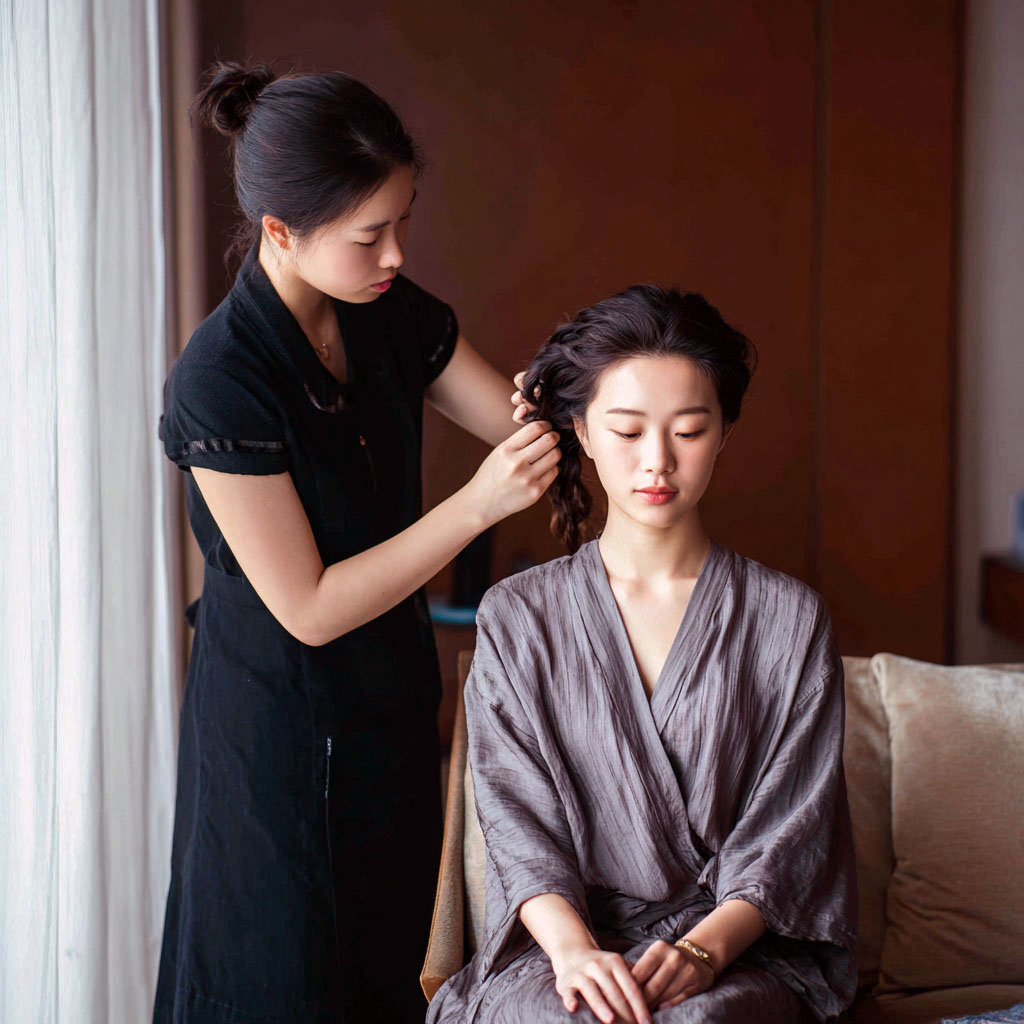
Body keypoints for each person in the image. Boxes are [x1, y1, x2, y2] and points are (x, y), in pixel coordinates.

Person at [153, 62, 557, 1024]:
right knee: (283, 983)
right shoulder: (220, 378)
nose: (395, 254)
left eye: (403, 223)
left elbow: (512, 418)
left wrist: (603, 412)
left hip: (390, 706)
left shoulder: (386, 310)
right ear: (281, 234)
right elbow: (311, 606)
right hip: (275, 744)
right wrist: (475, 507)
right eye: (370, 234)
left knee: (390, 971)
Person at [427, 285, 857, 1023]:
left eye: (689, 430)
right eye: (626, 431)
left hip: (733, 950)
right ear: (582, 432)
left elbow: (793, 830)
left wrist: (702, 952)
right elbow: (516, 818)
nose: (657, 461)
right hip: (564, 947)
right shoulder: (520, 615)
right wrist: (572, 953)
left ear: (723, 431)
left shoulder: (789, 618)